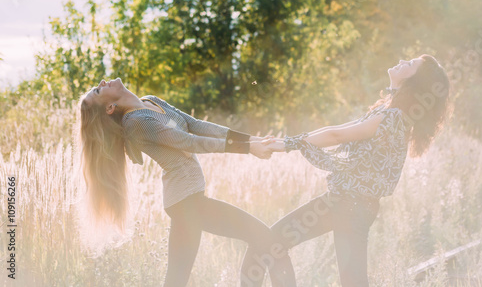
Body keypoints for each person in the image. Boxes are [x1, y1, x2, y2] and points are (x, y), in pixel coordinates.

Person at [252, 54, 451, 286]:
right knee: (349, 280)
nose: (401, 60)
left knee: (272, 243)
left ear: (414, 82)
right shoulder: (390, 111)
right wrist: (287, 142)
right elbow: (339, 129)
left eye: (409, 64)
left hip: (349, 205)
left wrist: (287, 144)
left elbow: (337, 135)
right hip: (350, 204)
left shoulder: (393, 117)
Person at [75, 77, 279, 287]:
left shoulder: (151, 101)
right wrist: (248, 149)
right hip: (186, 204)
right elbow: (189, 142)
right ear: (110, 107)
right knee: (262, 235)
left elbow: (195, 125)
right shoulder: (136, 123)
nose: (101, 82)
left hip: (187, 201)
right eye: (97, 91)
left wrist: (252, 140)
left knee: (176, 281)